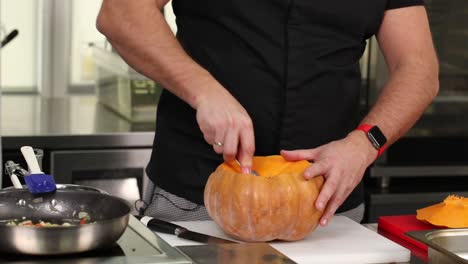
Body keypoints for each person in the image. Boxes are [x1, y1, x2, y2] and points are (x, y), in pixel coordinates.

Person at [97, 0, 439, 225]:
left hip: (328, 204)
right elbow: (122, 15)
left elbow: (418, 68)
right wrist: (204, 91)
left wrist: (366, 143)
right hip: (197, 198)